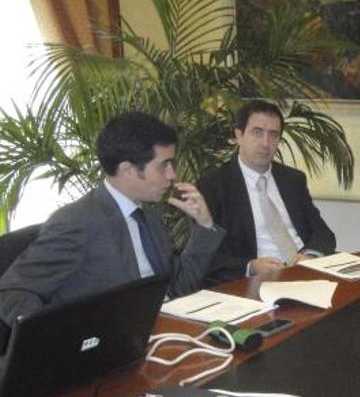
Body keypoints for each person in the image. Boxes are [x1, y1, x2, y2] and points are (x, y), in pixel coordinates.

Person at [0, 112, 225, 343]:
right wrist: (61, 340)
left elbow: (179, 287)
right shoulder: (77, 221)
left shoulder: (148, 213)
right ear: (128, 170)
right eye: (164, 165)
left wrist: (204, 225)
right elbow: (11, 292)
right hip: (107, 352)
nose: (172, 175)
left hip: (159, 336)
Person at [198, 100, 335, 283]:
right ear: (239, 135)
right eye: (257, 133)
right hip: (254, 282)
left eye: (273, 135)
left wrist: (309, 255)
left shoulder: (292, 180)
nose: (265, 143)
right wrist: (251, 266)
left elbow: (323, 233)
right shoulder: (214, 185)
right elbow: (207, 256)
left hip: (303, 273)